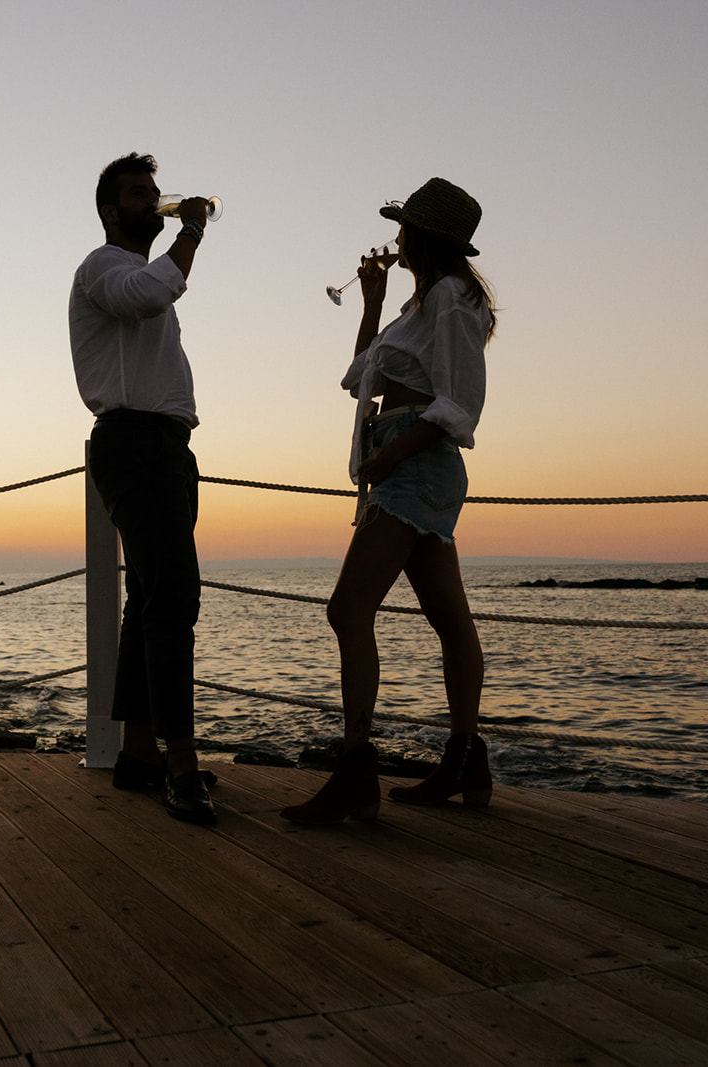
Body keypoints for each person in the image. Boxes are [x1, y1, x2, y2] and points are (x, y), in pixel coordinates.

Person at [281, 177, 497, 826]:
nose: (395, 236)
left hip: (414, 463)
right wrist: (372, 301)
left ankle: (355, 769)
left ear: (423, 238)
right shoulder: (418, 306)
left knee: (348, 609)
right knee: (448, 616)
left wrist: (389, 456)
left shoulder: (453, 302)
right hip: (404, 460)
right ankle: (464, 760)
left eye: (403, 228)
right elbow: (359, 379)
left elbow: (460, 405)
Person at [68, 152, 216, 825]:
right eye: (139, 192)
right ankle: (180, 761)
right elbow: (152, 292)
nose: (153, 199)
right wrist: (192, 232)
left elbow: (155, 297)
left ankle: (137, 752)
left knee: (151, 597)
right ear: (109, 208)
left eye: (156, 191)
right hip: (133, 444)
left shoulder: (142, 273)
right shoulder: (104, 267)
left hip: (162, 446)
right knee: (174, 595)